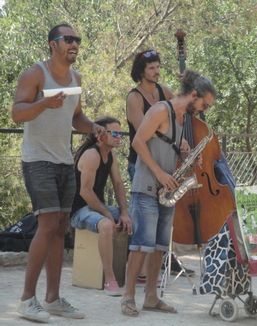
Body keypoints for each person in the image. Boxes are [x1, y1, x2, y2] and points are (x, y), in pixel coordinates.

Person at [11, 23, 104, 323]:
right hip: (37, 159)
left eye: (78, 39)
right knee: (48, 222)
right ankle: (27, 300)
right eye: (69, 39)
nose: (75, 43)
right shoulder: (36, 73)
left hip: (65, 161)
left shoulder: (76, 78)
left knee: (61, 224)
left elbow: (76, 118)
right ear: (53, 44)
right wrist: (44, 103)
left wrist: (95, 128)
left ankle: (52, 299)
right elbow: (17, 112)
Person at [121, 69, 216, 316]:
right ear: (193, 94)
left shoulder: (183, 118)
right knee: (141, 246)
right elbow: (138, 142)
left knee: (160, 247)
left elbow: (166, 144)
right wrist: (160, 173)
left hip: (167, 188)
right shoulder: (161, 110)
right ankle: (128, 297)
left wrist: (184, 154)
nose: (204, 109)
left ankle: (151, 297)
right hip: (147, 185)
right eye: (204, 104)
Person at [126, 50, 193, 286]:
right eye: (152, 67)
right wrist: (172, 135)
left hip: (166, 164)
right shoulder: (134, 97)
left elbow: (180, 113)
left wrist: (182, 139)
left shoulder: (164, 91)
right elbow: (146, 130)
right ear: (141, 70)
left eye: (158, 66)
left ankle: (153, 282)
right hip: (142, 164)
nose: (156, 71)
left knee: (161, 227)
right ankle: (139, 280)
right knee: (146, 226)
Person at [70, 116, 132, 296]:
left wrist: (125, 212)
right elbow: (85, 192)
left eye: (120, 133)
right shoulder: (91, 155)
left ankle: (140, 274)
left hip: (96, 207)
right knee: (106, 225)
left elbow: (119, 184)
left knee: (135, 216)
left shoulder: (110, 154)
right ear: (100, 135)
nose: (119, 136)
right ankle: (110, 280)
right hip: (80, 211)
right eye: (114, 133)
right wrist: (107, 213)